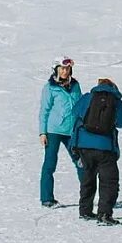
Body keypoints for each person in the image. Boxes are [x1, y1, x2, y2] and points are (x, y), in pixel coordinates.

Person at [72, 77, 122, 224]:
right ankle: (104, 214)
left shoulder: (88, 97)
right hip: (105, 147)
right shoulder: (116, 100)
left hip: (85, 146)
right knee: (109, 182)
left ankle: (85, 211)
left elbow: (75, 112)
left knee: (88, 178)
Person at [38, 59, 83, 207]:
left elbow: (81, 107)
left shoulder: (75, 86)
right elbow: (44, 111)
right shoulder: (50, 88)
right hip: (54, 130)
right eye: (62, 69)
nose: (65, 71)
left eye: (67, 69)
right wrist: (42, 132)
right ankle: (47, 198)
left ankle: (88, 195)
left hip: (72, 131)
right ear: (56, 70)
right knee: (50, 163)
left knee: (81, 162)